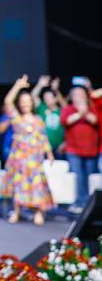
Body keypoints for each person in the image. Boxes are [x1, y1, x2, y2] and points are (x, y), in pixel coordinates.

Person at [2, 75, 54, 225]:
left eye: (28, 101)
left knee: (37, 184)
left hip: (35, 158)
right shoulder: (17, 119)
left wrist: (49, 154)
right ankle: (17, 212)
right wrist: (17, 86)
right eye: (22, 102)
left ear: (32, 103)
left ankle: (38, 212)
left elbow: (43, 138)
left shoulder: (38, 120)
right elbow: (7, 102)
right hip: (19, 157)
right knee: (19, 185)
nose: (25, 104)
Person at [61, 85, 99, 213]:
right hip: (73, 149)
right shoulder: (68, 109)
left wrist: (85, 112)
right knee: (78, 177)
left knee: (90, 178)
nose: (80, 96)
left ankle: (89, 205)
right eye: (77, 94)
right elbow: (66, 121)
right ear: (72, 97)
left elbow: (96, 121)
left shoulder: (92, 109)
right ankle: (79, 202)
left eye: (82, 94)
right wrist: (79, 113)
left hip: (91, 150)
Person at [31, 75, 66, 155]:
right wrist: (39, 85)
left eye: (49, 97)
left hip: (58, 146)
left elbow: (65, 105)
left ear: (55, 98)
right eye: (45, 98)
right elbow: (33, 96)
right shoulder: (42, 108)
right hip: (42, 146)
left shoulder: (61, 111)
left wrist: (56, 90)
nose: (47, 100)